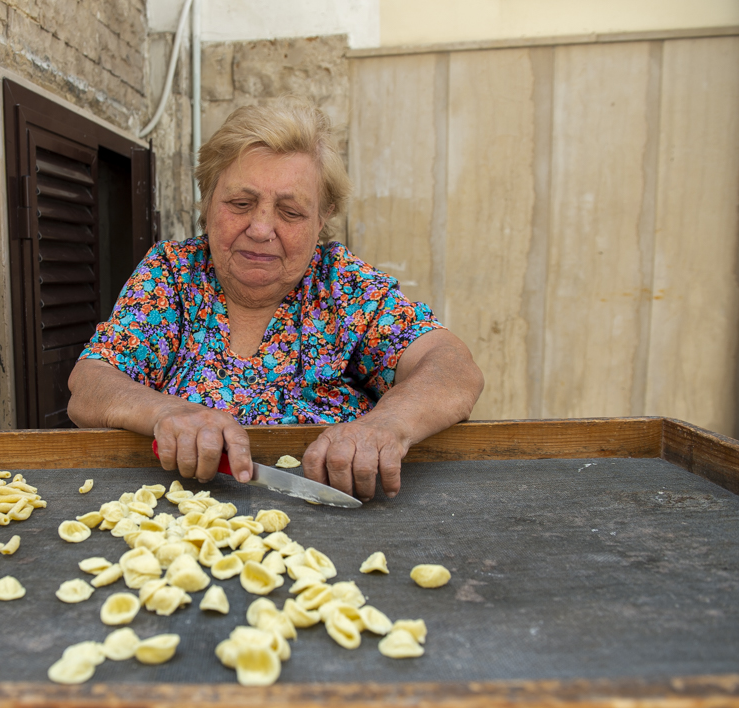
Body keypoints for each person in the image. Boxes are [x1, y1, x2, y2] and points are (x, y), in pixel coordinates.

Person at [68, 99, 484, 500]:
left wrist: (387, 424)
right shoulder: (174, 274)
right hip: (178, 520)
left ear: (321, 219)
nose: (261, 228)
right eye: (240, 203)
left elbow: (452, 368)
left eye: (290, 212)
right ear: (207, 201)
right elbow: (90, 384)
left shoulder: (343, 286)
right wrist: (165, 413)